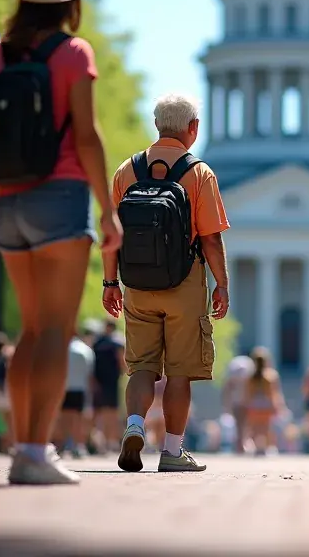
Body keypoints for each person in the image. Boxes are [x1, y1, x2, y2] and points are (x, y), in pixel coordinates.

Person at [0, 0, 123, 485]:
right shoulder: (73, 53)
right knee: (57, 332)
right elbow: (85, 136)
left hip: (10, 198)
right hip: (60, 197)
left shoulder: (0, 55)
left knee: (30, 330)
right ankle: (37, 451)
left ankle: (22, 447)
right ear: (68, 1)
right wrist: (108, 211)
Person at [103, 93, 230, 473]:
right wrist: (221, 285)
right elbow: (210, 238)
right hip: (184, 283)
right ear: (193, 128)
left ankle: (135, 426)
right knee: (179, 372)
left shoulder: (127, 170)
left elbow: (111, 233)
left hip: (138, 283)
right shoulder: (199, 173)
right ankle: (173, 451)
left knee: (141, 365)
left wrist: (111, 282)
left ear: (157, 125)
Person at [57, 330, 95, 458]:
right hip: (80, 388)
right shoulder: (85, 350)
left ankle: (61, 445)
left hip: (64, 387)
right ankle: (78, 446)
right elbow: (90, 372)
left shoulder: (61, 349)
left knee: (63, 418)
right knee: (78, 418)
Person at [91, 319, 126, 452]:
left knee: (98, 413)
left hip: (99, 382)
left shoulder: (97, 342)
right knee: (112, 413)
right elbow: (121, 361)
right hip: (111, 382)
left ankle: (102, 443)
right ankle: (111, 442)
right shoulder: (117, 342)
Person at [244, 347, 284, 456]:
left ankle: (257, 448)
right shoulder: (270, 376)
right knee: (266, 428)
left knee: (255, 428)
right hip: (266, 405)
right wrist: (276, 405)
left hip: (255, 404)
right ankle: (266, 447)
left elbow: (249, 393)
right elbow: (272, 393)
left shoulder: (251, 377)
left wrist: (248, 405)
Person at [222, 351, 256, 453]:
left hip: (236, 400)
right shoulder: (249, 366)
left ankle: (240, 444)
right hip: (246, 400)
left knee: (239, 425)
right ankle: (242, 444)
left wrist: (226, 402)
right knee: (245, 424)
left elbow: (228, 387)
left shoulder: (234, 367)